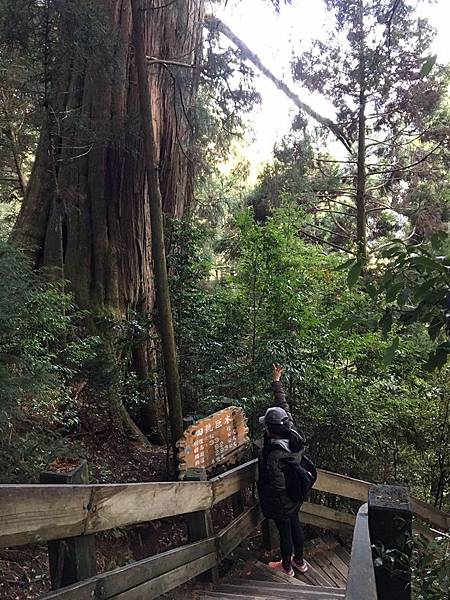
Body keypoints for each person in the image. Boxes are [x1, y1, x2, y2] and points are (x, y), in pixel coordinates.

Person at [257, 364, 308, 577]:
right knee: (296, 526)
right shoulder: (292, 432)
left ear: (270, 428)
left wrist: (273, 503)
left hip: (283, 499)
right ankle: (300, 561)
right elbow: (283, 405)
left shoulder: (275, 455)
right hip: (296, 494)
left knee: (285, 531)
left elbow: (276, 486)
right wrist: (276, 381)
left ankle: (287, 567)